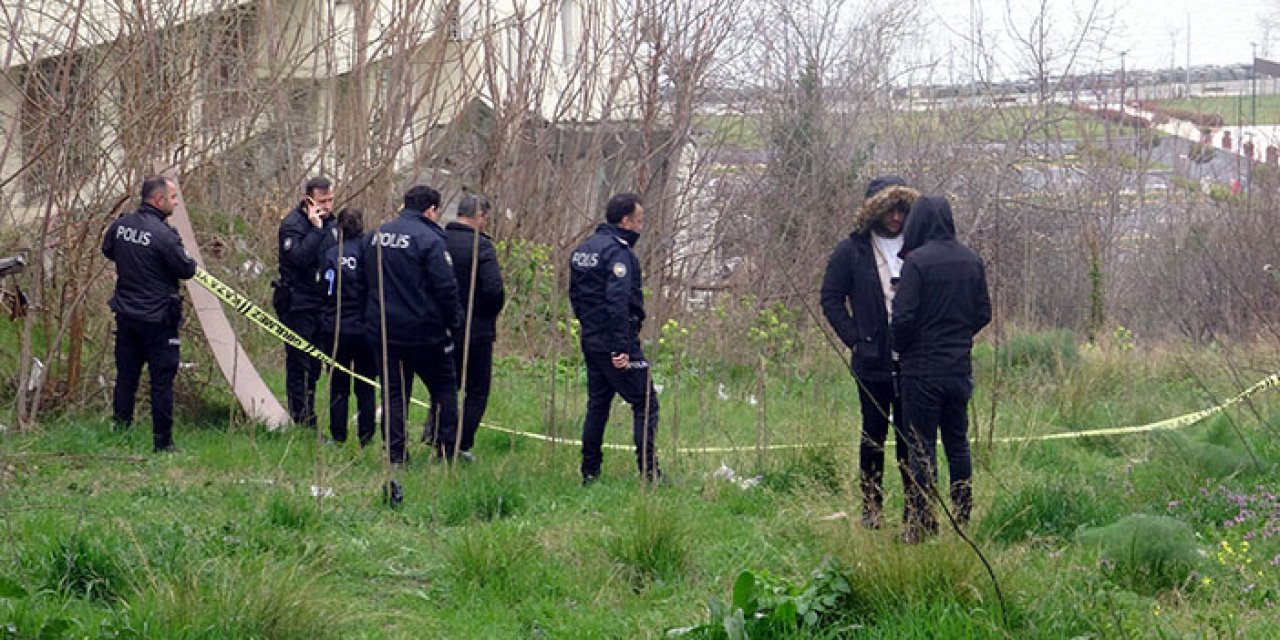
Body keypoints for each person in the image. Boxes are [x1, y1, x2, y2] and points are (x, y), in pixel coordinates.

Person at [820, 175, 920, 529]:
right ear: (873, 211)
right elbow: (830, 298)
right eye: (888, 209)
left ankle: (914, 509)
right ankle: (872, 507)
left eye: (901, 209)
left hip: (913, 358)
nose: (895, 217)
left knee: (912, 436)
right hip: (871, 359)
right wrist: (854, 338)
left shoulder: (919, 244)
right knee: (873, 434)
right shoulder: (852, 250)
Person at [890, 195, 991, 543]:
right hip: (958, 368)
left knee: (921, 448)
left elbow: (902, 318)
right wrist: (958, 337)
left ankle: (921, 522)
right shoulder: (972, 260)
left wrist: (900, 348)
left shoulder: (916, 263)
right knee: (957, 445)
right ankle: (963, 518)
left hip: (921, 371)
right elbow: (983, 313)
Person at [363, 185, 461, 466]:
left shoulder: (376, 237)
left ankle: (395, 456)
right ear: (431, 210)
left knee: (394, 394)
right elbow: (445, 287)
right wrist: (454, 324)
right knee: (444, 389)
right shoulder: (430, 240)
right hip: (425, 334)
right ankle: (445, 450)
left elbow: (364, 281)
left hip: (384, 331)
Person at [568, 193, 661, 484]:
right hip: (616, 342)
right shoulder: (619, 254)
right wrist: (622, 348)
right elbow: (618, 303)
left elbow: (575, 296)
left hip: (591, 339)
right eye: (639, 221)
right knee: (646, 402)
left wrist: (589, 329)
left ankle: (590, 472)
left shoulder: (584, 250)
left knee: (598, 403)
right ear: (625, 221)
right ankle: (649, 473)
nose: (641, 227)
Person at [101, 176, 197, 452]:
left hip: (127, 315)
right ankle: (163, 442)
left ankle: (121, 431)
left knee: (126, 377)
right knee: (162, 382)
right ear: (158, 200)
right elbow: (187, 269)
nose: (176, 202)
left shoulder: (120, 226)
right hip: (158, 321)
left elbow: (107, 250)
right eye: (173, 197)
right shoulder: (165, 236)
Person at [444, 194, 505, 462]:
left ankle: (437, 435)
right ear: (480, 217)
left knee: (445, 385)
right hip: (476, 329)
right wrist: (488, 314)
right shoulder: (482, 247)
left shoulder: (438, 240)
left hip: (442, 327)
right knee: (477, 389)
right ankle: (460, 443)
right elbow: (493, 289)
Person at [274, 176, 336, 428]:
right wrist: (316, 229)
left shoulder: (333, 223)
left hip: (323, 302)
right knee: (299, 362)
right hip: (297, 303)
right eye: (322, 201)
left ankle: (312, 412)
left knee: (315, 364)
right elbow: (298, 258)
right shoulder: (293, 225)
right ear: (308, 199)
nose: (328, 206)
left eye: (331, 200)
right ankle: (302, 419)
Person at [318, 207, 377, 447]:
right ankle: (366, 436)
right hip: (364, 330)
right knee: (366, 386)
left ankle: (338, 436)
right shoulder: (370, 254)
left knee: (338, 386)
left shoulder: (331, 254)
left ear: (339, 229)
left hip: (335, 329)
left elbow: (323, 290)